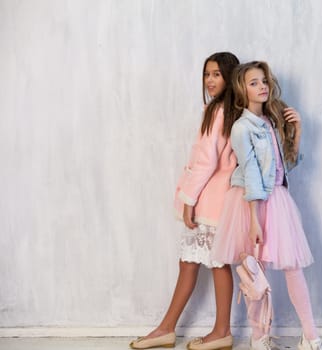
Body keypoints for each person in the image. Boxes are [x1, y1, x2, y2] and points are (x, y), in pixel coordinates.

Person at [211, 61, 322, 350]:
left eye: (264, 81)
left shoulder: (271, 121)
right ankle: (259, 337)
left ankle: (311, 337)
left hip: (276, 199)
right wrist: (254, 220)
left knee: (292, 267)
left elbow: (286, 164)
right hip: (252, 203)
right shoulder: (242, 127)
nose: (262, 86)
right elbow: (251, 174)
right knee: (256, 273)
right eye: (253, 82)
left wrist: (297, 130)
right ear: (242, 88)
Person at [130, 52, 239, 350]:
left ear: (230, 76)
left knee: (209, 265)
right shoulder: (230, 112)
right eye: (207, 74)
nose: (210, 80)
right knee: (203, 264)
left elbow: (206, 161)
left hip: (209, 201)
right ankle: (179, 329)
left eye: (217, 74)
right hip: (222, 202)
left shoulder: (217, 113)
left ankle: (213, 331)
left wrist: (188, 198)